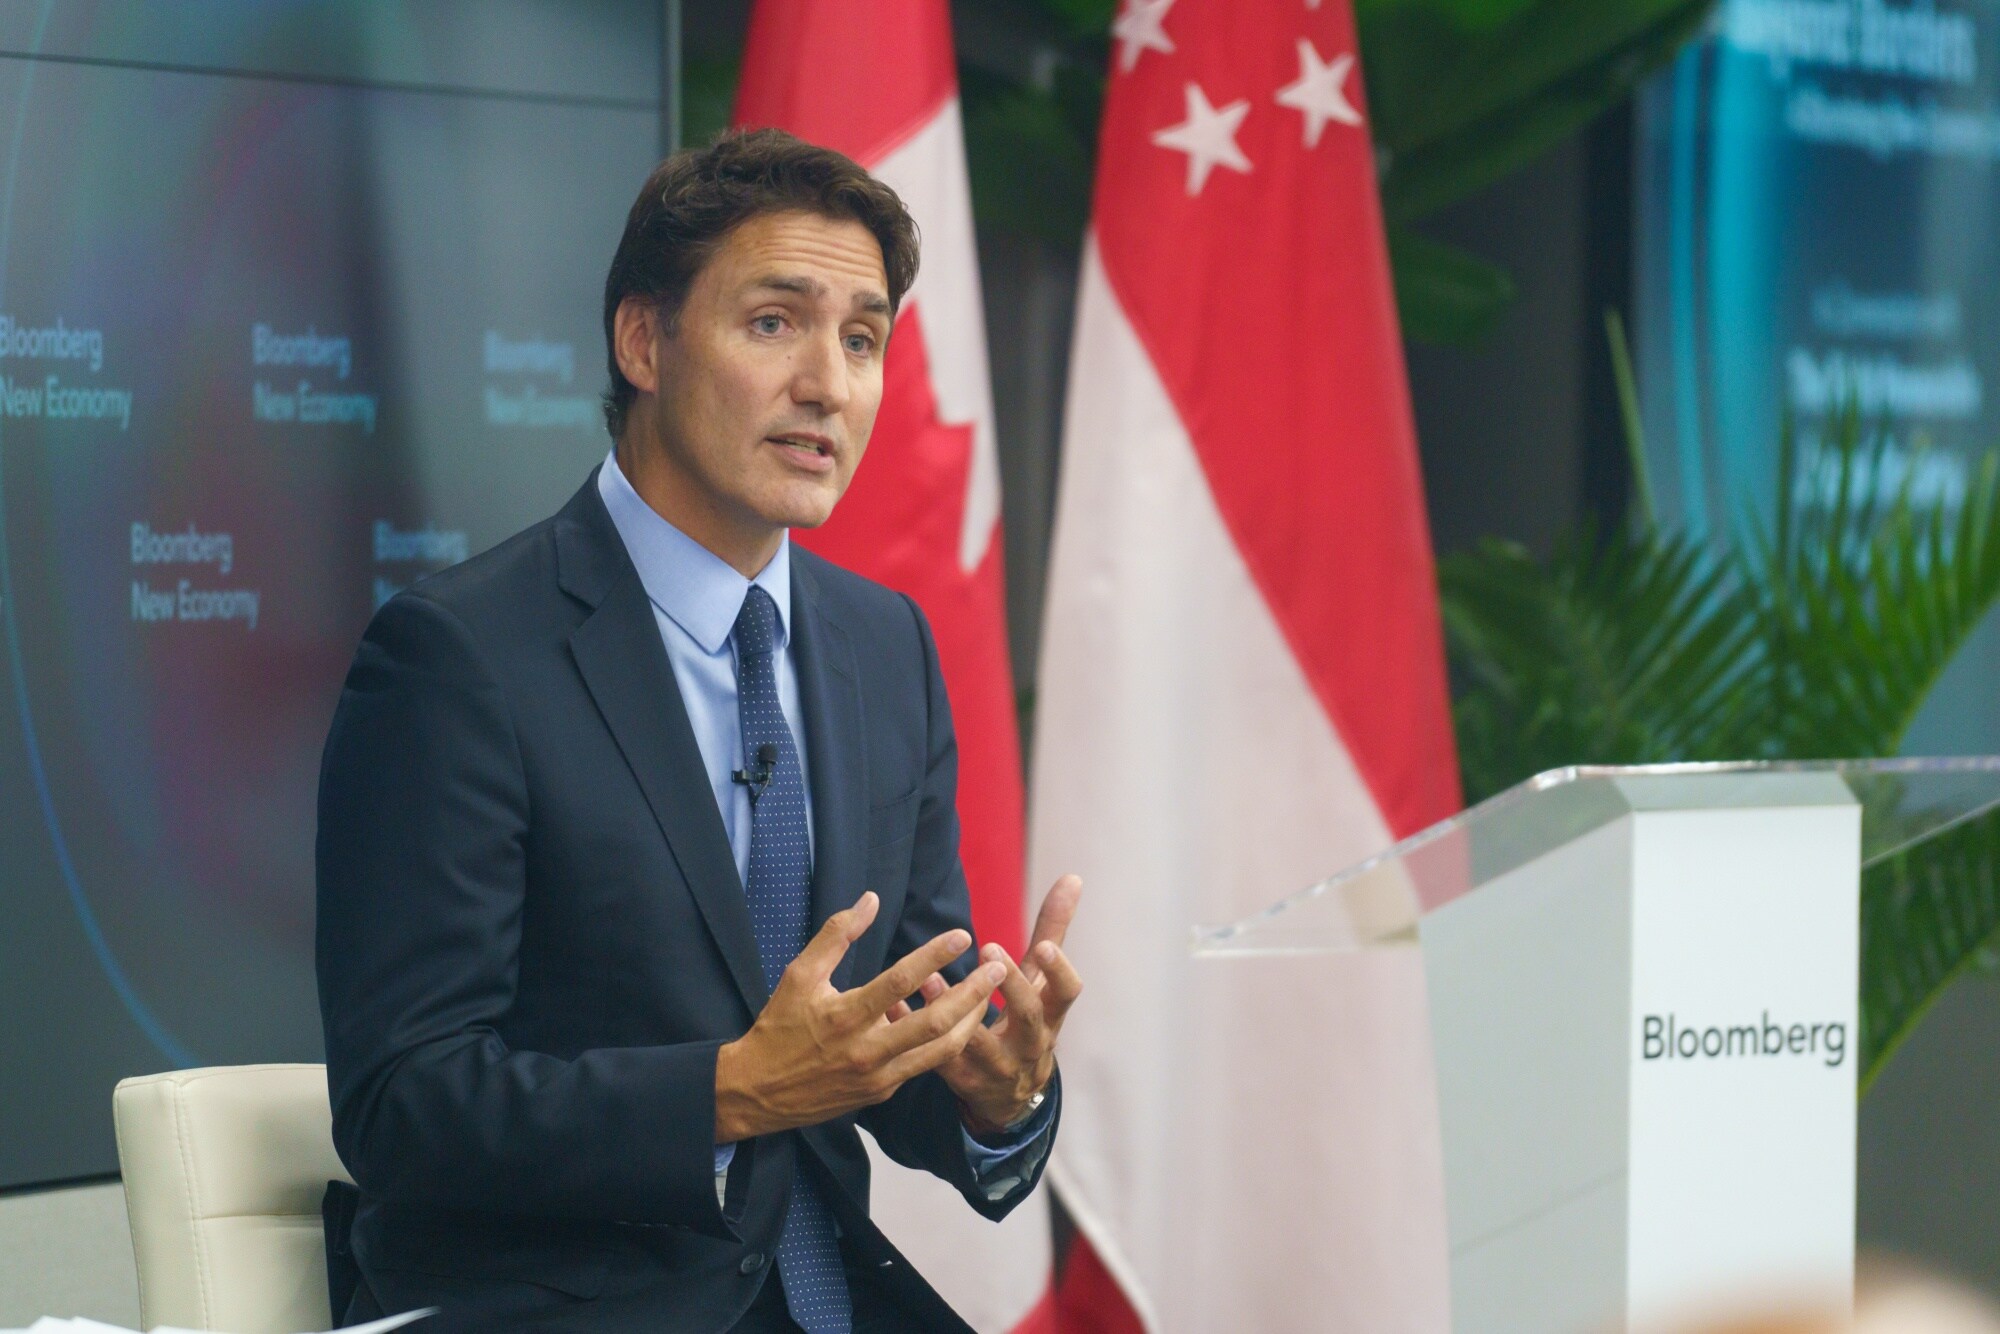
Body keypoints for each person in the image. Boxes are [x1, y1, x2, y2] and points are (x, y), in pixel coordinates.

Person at [315, 128, 1083, 1333]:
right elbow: (402, 1105)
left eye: (863, 337)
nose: (828, 381)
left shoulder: (886, 650)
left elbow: (879, 1039)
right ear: (644, 340)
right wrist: (728, 1092)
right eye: (775, 322)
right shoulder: (459, 658)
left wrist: (993, 1096)